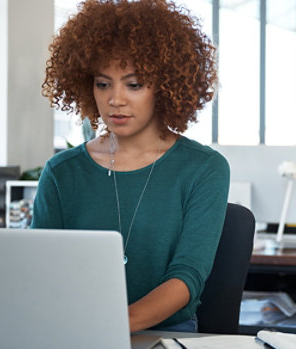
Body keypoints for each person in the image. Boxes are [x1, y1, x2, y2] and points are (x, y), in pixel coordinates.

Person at [32, 0, 230, 333]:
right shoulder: (62, 173)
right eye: (103, 83)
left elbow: (187, 277)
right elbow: (39, 272)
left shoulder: (204, 169)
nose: (115, 100)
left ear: (166, 86)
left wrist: (112, 325)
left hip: (163, 334)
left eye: (134, 84)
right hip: (73, 331)